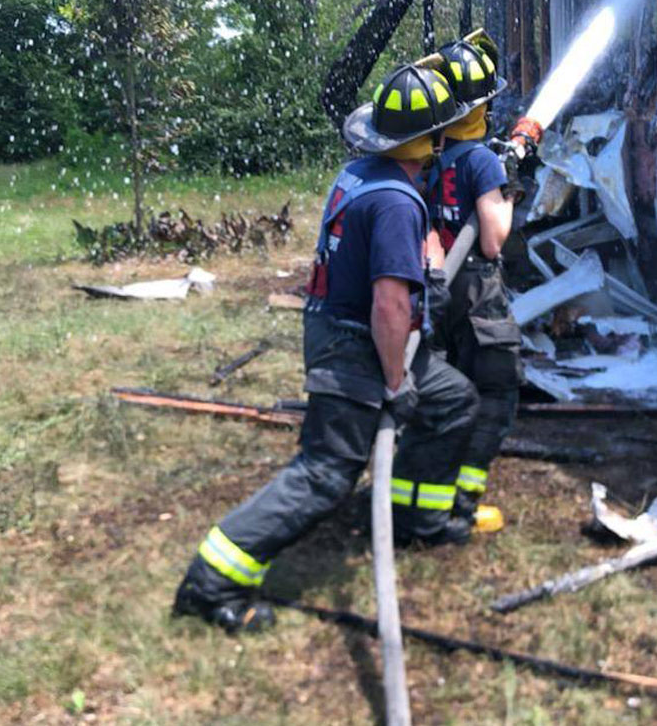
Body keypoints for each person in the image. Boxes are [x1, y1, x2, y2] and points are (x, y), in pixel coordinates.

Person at [173, 65, 478, 634]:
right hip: (357, 347)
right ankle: (211, 580)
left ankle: (415, 517)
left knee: (453, 399)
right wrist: (394, 382)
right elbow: (388, 306)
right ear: (435, 141)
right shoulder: (395, 202)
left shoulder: (363, 173)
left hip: (347, 331)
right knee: (326, 473)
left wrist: (424, 272)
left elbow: (385, 262)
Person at [428, 39, 523, 530]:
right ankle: (461, 503)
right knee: (495, 392)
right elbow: (491, 238)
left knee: (446, 393)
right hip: (476, 293)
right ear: (481, 106)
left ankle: (432, 497)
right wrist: (506, 187)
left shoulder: (427, 155)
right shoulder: (482, 162)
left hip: (435, 289)